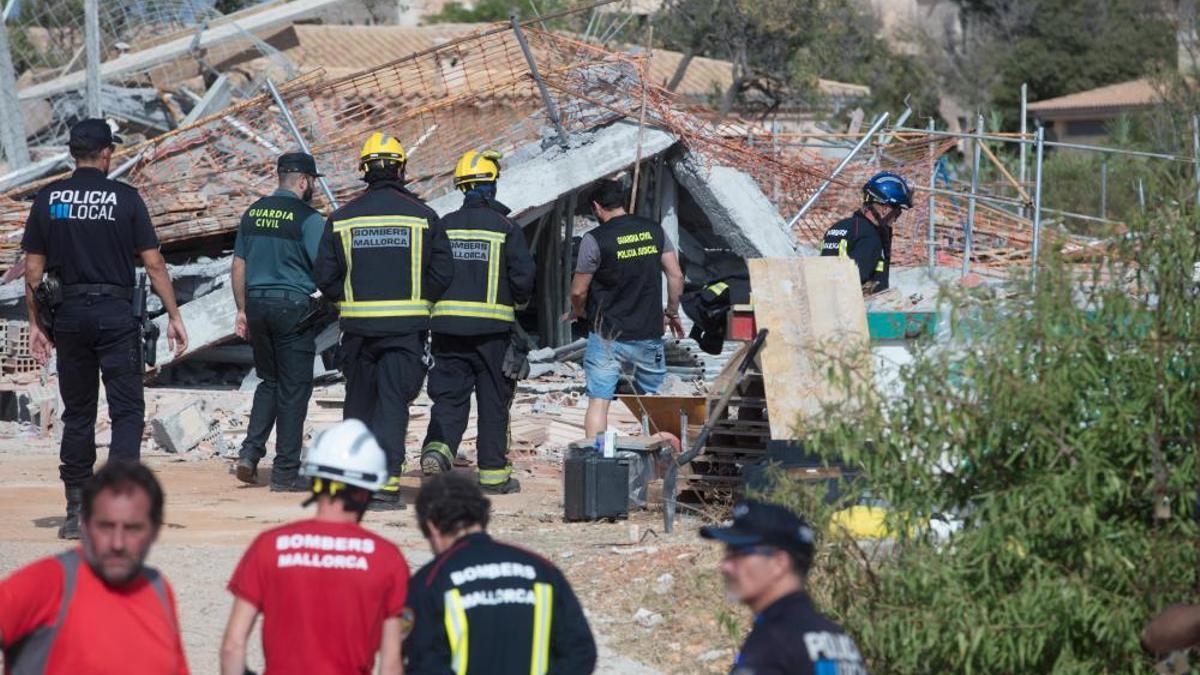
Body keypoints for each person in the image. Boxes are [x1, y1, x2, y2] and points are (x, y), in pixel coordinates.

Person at [21, 118, 188, 540]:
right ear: (107, 153)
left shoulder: (48, 199)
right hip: (116, 315)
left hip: (69, 317)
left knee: (78, 413)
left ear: (74, 153)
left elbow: (34, 273)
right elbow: (153, 263)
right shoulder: (126, 199)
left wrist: (37, 324)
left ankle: (76, 510)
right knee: (127, 412)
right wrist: (174, 315)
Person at [314, 132, 454, 510]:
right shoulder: (424, 217)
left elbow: (324, 277)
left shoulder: (341, 219)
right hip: (405, 331)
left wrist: (348, 300)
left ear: (364, 171)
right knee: (393, 404)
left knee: (358, 404)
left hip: (357, 331)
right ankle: (384, 485)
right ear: (401, 169)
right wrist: (420, 301)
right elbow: (443, 272)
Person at [220, 419, 411, 675]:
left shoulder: (271, 546)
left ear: (315, 481)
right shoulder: (386, 558)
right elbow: (390, 664)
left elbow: (233, 647)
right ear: (365, 491)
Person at [0, 461, 189, 673]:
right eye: (105, 527)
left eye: (132, 529)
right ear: (85, 525)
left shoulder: (158, 590)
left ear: (154, 530)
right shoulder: (51, 582)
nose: (117, 543)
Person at [419, 150, 535, 495]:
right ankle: (493, 477)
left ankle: (437, 450)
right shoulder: (506, 228)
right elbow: (523, 278)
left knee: (449, 398)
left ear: (461, 188)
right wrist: (518, 306)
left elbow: (430, 272)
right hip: (493, 335)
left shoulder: (442, 224)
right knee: (493, 403)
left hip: (447, 331)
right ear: (492, 186)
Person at [404, 472, 597, 674]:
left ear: (431, 527)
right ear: (483, 516)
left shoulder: (431, 580)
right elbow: (580, 652)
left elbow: (422, 662)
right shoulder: (542, 570)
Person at [231, 152, 328, 491]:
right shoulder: (310, 219)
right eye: (313, 182)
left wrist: (242, 309)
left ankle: (249, 453)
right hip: (292, 310)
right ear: (303, 181)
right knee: (294, 389)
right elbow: (325, 269)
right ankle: (286, 473)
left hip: (256, 306)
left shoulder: (253, 212)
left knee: (269, 382)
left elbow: (239, 265)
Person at [564, 178, 684, 439]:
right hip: (647, 333)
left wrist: (579, 311)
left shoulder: (594, 239)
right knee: (657, 402)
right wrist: (671, 313)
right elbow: (675, 276)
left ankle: (596, 460)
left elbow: (578, 290)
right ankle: (665, 462)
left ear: (596, 206)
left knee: (599, 400)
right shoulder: (654, 231)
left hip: (606, 335)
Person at [701, 500, 867, 675]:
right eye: (727, 554)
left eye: (738, 553)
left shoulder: (774, 641)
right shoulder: (838, 638)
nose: (725, 566)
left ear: (779, 563)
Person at [819, 171, 913, 295]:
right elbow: (859, 284)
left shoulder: (841, 226)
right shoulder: (870, 236)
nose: (896, 218)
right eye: (897, 212)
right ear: (885, 208)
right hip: (852, 309)